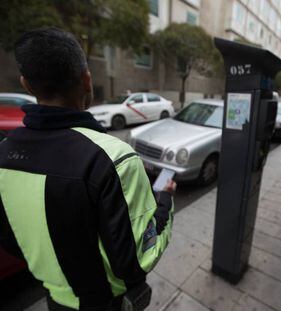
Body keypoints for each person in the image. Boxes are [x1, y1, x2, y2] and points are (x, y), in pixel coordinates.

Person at [0, 27, 176, 311]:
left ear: (27, 86)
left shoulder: (3, 155)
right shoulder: (114, 159)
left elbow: (10, 240)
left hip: (55, 300)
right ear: (86, 80)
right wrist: (165, 200)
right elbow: (139, 260)